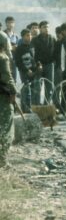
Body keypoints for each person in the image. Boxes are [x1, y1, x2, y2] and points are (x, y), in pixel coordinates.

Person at [0, 32, 17, 168]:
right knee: (6, 126)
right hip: (2, 97)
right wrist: (13, 90)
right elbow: (7, 77)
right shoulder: (3, 58)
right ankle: (3, 159)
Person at [31, 21, 56, 105]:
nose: (47, 29)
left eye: (48, 27)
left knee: (49, 86)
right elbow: (33, 54)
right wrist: (38, 64)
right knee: (38, 86)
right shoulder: (35, 40)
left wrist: (54, 63)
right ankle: (36, 105)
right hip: (39, 66)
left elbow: (56, 52)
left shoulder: (52, 38)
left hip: (50, 65)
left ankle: (47, 104)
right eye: (44, 27)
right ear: (40, 28)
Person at [14, 29, 37, 112]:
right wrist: (26, 70)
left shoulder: (32, 46)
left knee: (34, 90)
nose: (29, 37)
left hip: (34, 72)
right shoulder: (19, 49)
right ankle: (25, 109)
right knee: (26, 91)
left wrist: (39, 65)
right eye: (27, 35)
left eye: (30, 35)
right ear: (23, 37)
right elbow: (18, 62)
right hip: (24, 72)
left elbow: (35, 58)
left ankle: (33, 108)